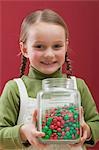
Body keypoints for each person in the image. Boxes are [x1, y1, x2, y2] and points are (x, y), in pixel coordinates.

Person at [0, 9, 99, 150]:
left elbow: (96, 123)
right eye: (39, 46)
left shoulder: (78, 86)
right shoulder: (15, 89)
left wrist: (87, 131)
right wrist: (22, 132)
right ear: (24, 49)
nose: (49, 54)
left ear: (66, 46)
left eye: (57, 46)